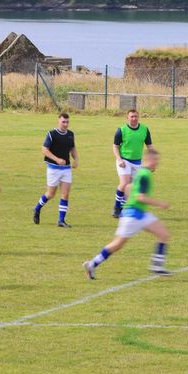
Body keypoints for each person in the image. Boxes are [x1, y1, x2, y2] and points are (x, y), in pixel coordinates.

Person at [85, 148, 172, 279]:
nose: (157, 163)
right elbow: (140, 197)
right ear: (149, 159)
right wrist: (160, 203)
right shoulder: (145, 175)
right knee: (117, 244)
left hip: (139, 213)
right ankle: (92, 263)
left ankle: (157, 266)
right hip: (133, 215)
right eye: (156, 160)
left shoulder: (140, 171)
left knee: (164, 234)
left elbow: (128, 188)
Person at [34, 112, 78, 228]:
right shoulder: (51, 134)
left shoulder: (70, 134)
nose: (65, 124)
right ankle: (37, 208)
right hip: (53, 169)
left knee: (65, 194)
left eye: (67, 122)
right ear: (58, 121)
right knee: (50, 194)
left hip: (66, 169)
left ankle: (61, 221)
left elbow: (72, 148)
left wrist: (76, 159)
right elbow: (44, 150)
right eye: (63, 122)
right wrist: (57, 159)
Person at [111, 109, 154, 218]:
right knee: (125, 183)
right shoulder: (121, 130)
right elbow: (115, 146)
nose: (134, 119)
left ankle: (125, 209)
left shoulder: (144, 129)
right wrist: (119, 159)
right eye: (132, 117)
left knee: (133, 188)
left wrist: (151, 162)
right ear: (127, 118)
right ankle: (117, 208)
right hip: (124, 161)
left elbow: (150, 146)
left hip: (137, 162)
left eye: (136, 116)